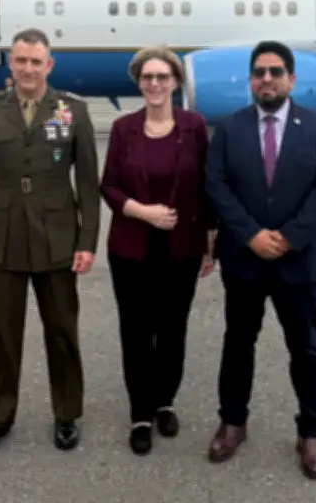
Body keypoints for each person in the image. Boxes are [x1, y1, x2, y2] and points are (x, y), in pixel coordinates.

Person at [0, 27, 100, 458]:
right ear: (11, 63)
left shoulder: (70, 111)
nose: (28, 69)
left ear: (49, 65)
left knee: (62, 331)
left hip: (58, 239)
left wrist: (87, 241)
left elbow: (87, 185)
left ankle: (67, 414)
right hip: (0, 240)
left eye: (36, 61)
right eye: (21, 60)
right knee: (0, 335)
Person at [204, 40, 316, 479]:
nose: (267, 79)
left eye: (276, 72)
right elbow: (216, 185)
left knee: (306, 348)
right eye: (259, 72)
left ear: (291, 79)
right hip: (245, 259)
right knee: (237, 344)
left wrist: (288, 238)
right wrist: (250, 235)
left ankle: (311, 430)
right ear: (250, 80)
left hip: (300, 260)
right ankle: (233, 422)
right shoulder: (229, 129)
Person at [100, 46, 216, 455]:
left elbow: (206, 185)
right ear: (139, 82)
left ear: (175, 82)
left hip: (182, 246)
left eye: (162, 76)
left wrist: (210, 242)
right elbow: (109, 185)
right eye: (147, 77)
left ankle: (165, 400)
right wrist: (142, 211)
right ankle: (140, 413)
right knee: (136, 331)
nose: (154, 83)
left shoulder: (194, 126)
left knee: (172, 329)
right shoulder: (123, 128)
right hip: (131, 247)